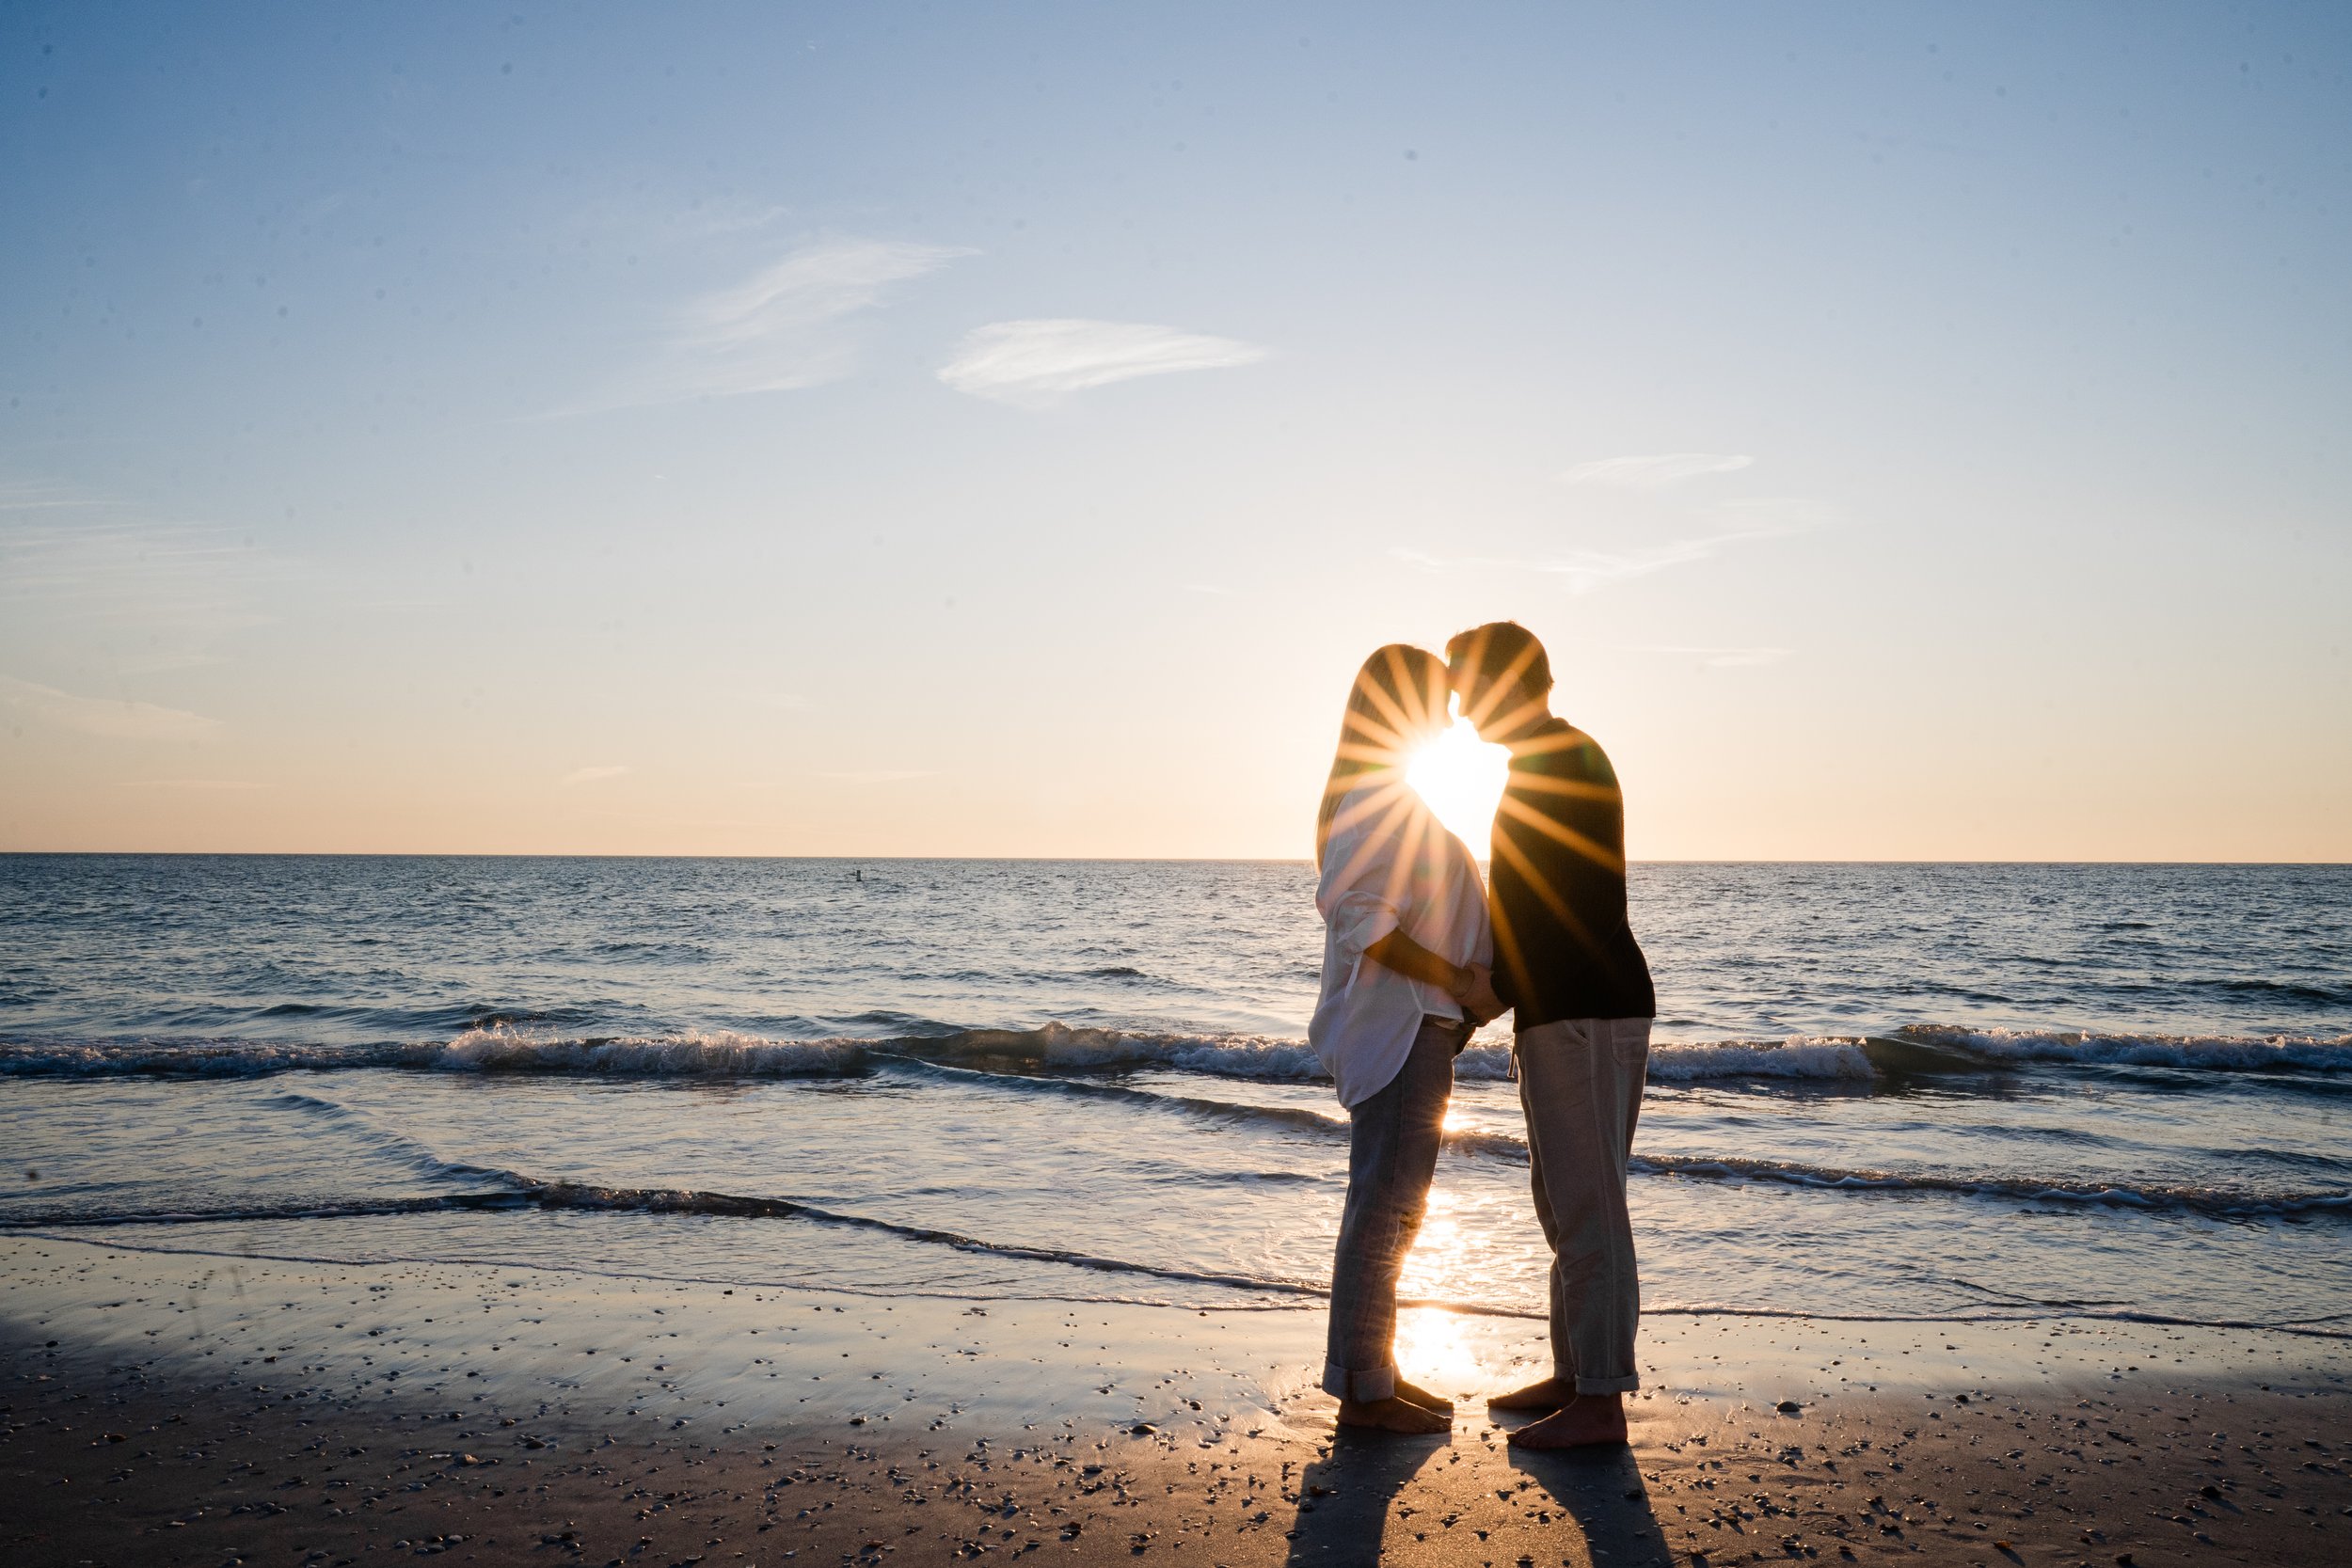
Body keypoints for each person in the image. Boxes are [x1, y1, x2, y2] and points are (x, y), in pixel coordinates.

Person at [1445, 621, 1656, 1449]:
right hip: (1561, 1010)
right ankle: (1576, 1374)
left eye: (1467, 686)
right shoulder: (1541, 763)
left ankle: (1602, 1402)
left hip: (1588, 1010)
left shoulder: (1566, 763)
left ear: (1505, 681)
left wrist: (1481, 1003)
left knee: (1590, 1205)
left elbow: (1571, 916)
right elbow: (1530, 911)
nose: (1460, 708)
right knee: (1562, 1202)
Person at [1310, 643, 1503, 1434]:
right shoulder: (1373, 795)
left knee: (1397, 1207)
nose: (1453, 711)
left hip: (1419, 1029)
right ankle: (1363, 1389)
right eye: (1437, 697)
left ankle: (1373, 1368)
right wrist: (1458, 983)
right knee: (1384, 1206)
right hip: (1398, 1031)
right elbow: (1361, 919)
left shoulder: (1388, 793)